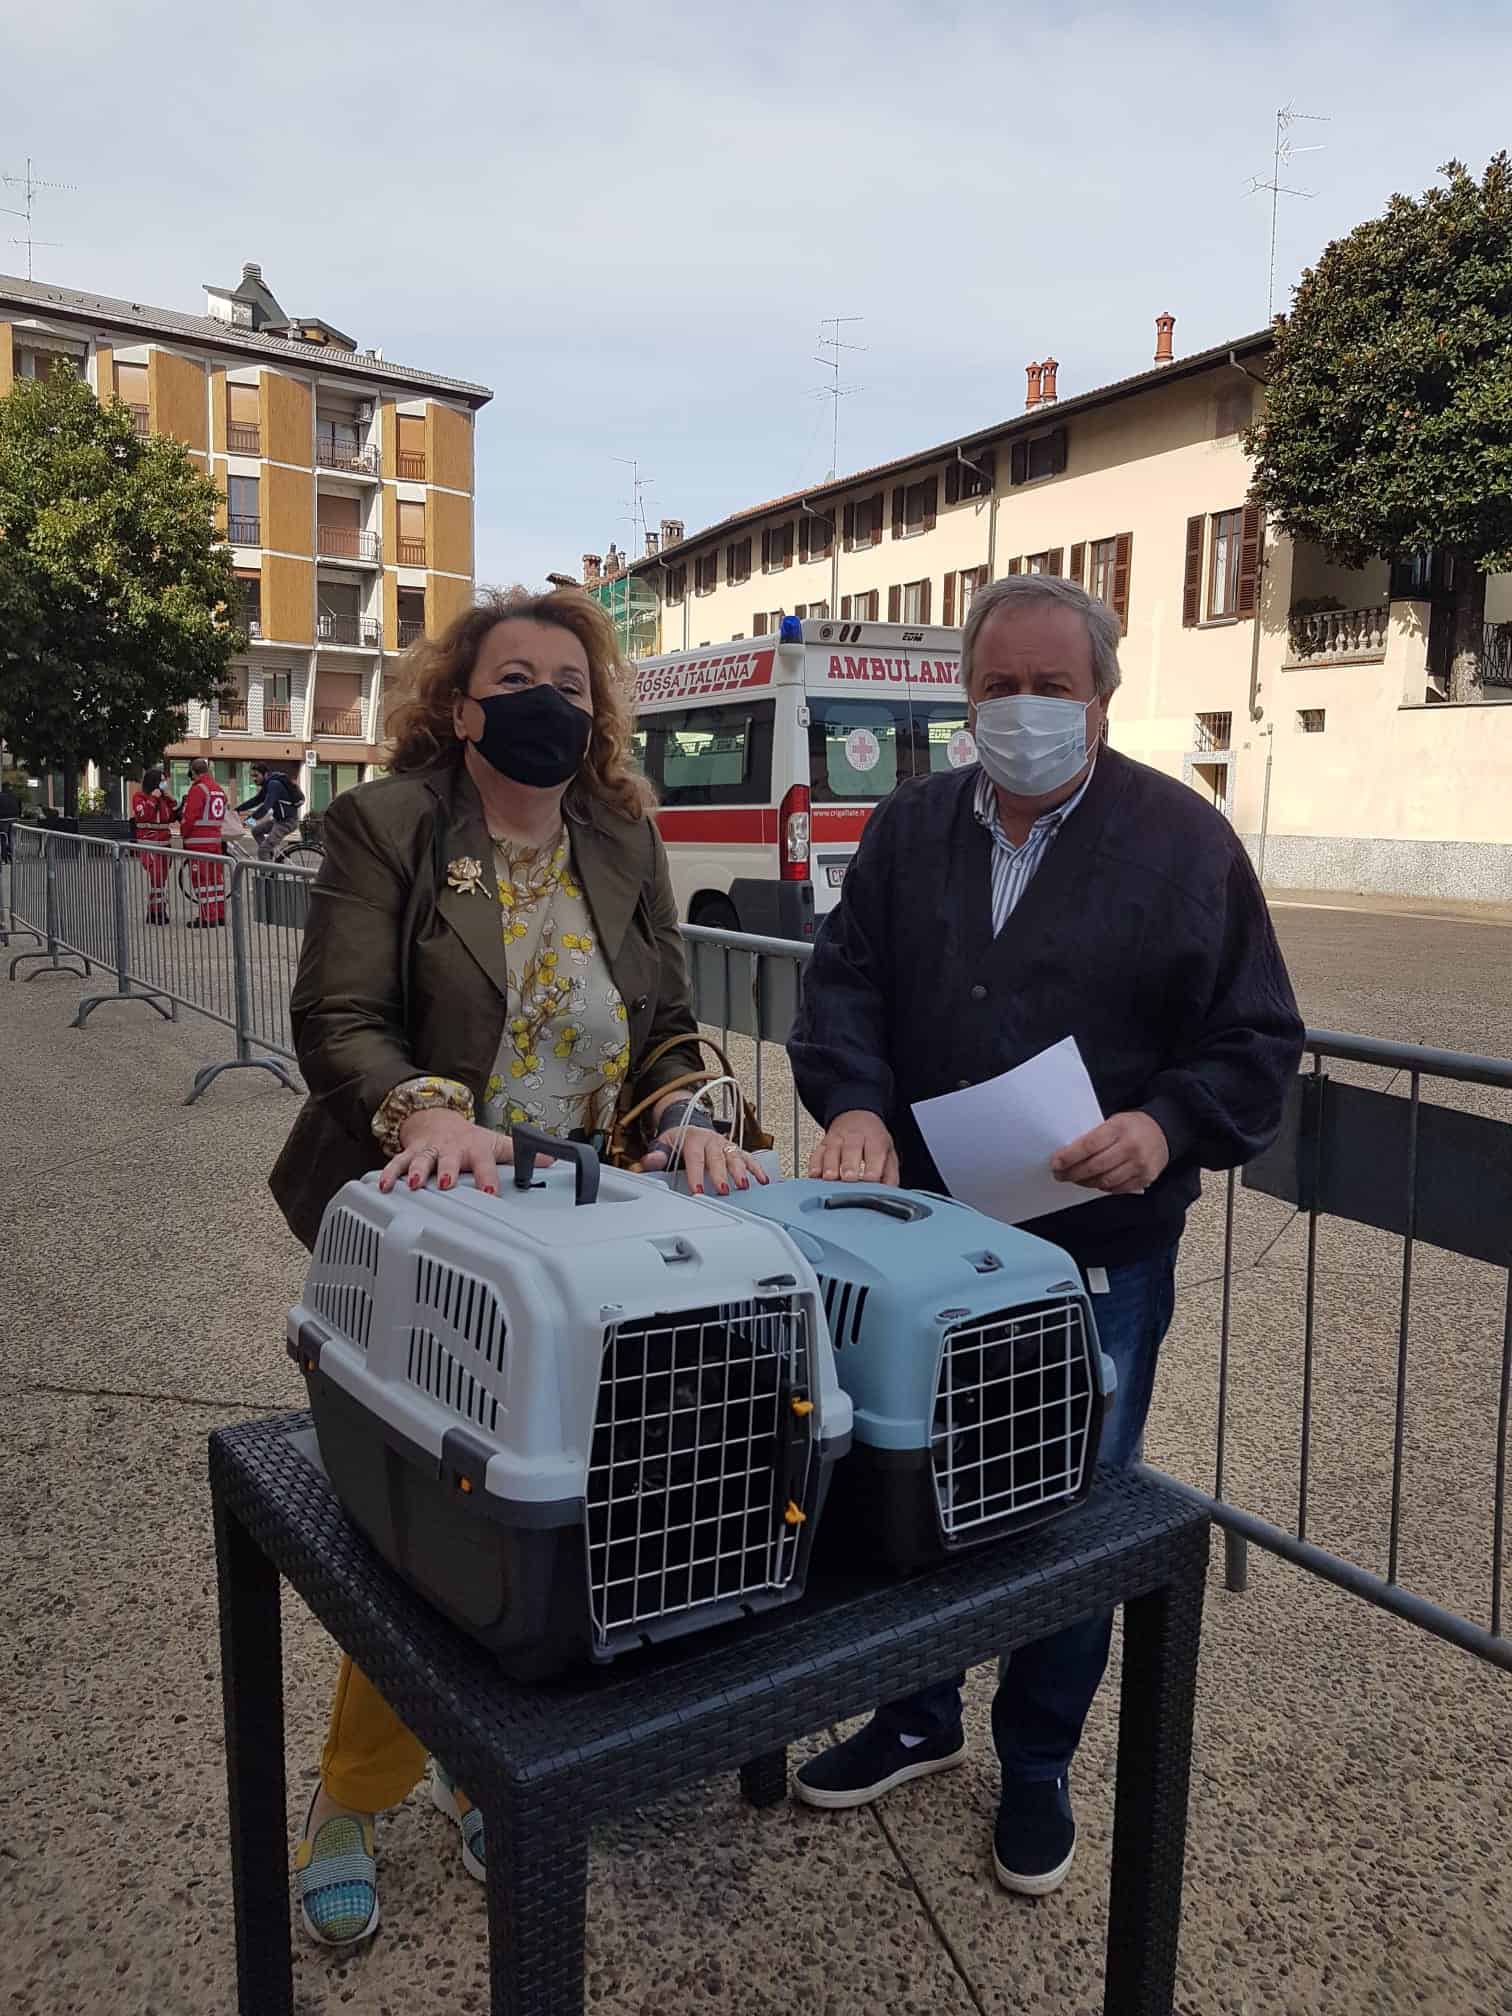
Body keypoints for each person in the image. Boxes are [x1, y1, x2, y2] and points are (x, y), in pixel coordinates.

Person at [788, 573, 1303, 1896]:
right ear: (968, 697)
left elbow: (1254, 1038)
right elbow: (845, 985)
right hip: (922, 1250)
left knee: (1064, 1517)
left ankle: (1036, 1761)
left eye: (1050, 687)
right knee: (903, 1482)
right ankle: (915, 1713)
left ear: (1102, 698)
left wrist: (1166, 1127)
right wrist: (855, 1104)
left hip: (1095, 1259)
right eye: (999, 686)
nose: (1022, 709)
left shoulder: (1184, 844)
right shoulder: (910, 828)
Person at [269, 586, 768, 1947]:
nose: (548, 697)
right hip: (433, 1225)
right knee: (421, 1535)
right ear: (460, 702)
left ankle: (477, 1763)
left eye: (571, 680)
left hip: (585, 1240)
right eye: (516, 677)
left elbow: (666, 1023)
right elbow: (339, 1015)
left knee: (551, 1525)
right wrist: (424, 1109)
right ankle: (352, 1795)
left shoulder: (622, 834)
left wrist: (691, 1114)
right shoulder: (391, 825)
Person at [178, 757, 228, 927]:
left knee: (202, 882)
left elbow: (189, 817)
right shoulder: (218, 789)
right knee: (216, 881)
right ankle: (219, 915)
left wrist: (183, 835)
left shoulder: (198, 789)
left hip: (198, 843)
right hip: (215, 842)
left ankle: (208, 917)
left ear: (193, 771)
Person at [129, 766, 177, 923]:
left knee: (161, 879)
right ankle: (157, 912)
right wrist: (153, 799)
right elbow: (144, 816)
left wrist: (171, 800)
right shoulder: (139, 797)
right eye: (162, 781)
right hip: (149, 844)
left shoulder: (164, 799)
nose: (164, 784)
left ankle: (156, 911)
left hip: (164, 844)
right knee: (156, 878)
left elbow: (172, 816)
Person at [237, 762, 303, 859]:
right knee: (256, 831)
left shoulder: (273, 785)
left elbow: (265, 807)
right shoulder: (267, 785)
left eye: (256, 775)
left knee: (263, 850)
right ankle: (269, 854)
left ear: (265, 774)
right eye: (252, 776)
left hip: (287, 822)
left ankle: (267, 865)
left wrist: (249, 820)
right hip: (278, 820)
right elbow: (256, 800)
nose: (254, 779)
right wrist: (237, 810)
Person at [0, 776, 20, 865]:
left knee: (3, 838)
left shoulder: (0, 796)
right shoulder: (14, 796)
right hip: (14, 819)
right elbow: (19, 807)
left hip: (3, 820)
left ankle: (4, 859)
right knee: (13, 839)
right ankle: (13, 858)